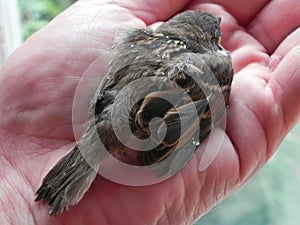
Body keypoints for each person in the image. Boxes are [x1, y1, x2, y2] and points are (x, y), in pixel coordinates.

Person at [0, 0, 299, 224]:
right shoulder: (216, 67)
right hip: (142, 124)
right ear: (212, 41)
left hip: (109, 112)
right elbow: (192, 119)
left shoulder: (143, 39)